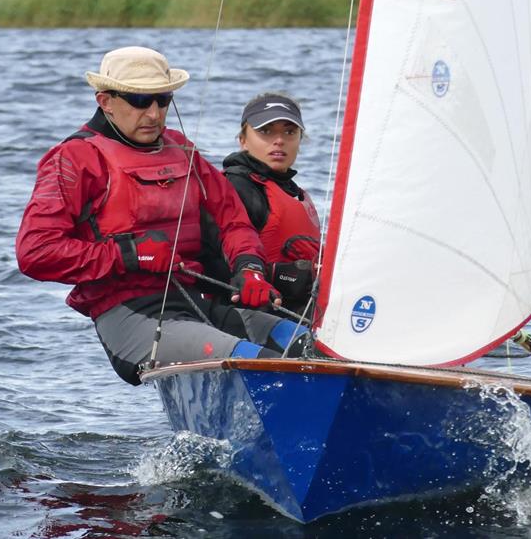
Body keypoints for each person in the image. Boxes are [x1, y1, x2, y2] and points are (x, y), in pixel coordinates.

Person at [16, 47, 306, 386]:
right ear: (105, 101)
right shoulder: (76, 159)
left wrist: (249, 269)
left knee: (312, 347)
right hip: (130, 316)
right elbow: (34, 252)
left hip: (196, 303)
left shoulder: (182, 148)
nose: (154, 114)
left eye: (163, 100)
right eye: (140, 101)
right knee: (270, 366)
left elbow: (233, 221)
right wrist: (130, 253)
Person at [202, 92, 321, 314]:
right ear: (243, 140)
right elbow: (213, 264)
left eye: (289, 131)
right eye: (266, 131)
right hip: (246, 314)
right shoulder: (237, 187)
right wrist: (288, 277)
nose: (279, 140)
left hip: (299, 311)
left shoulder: (297, 194)